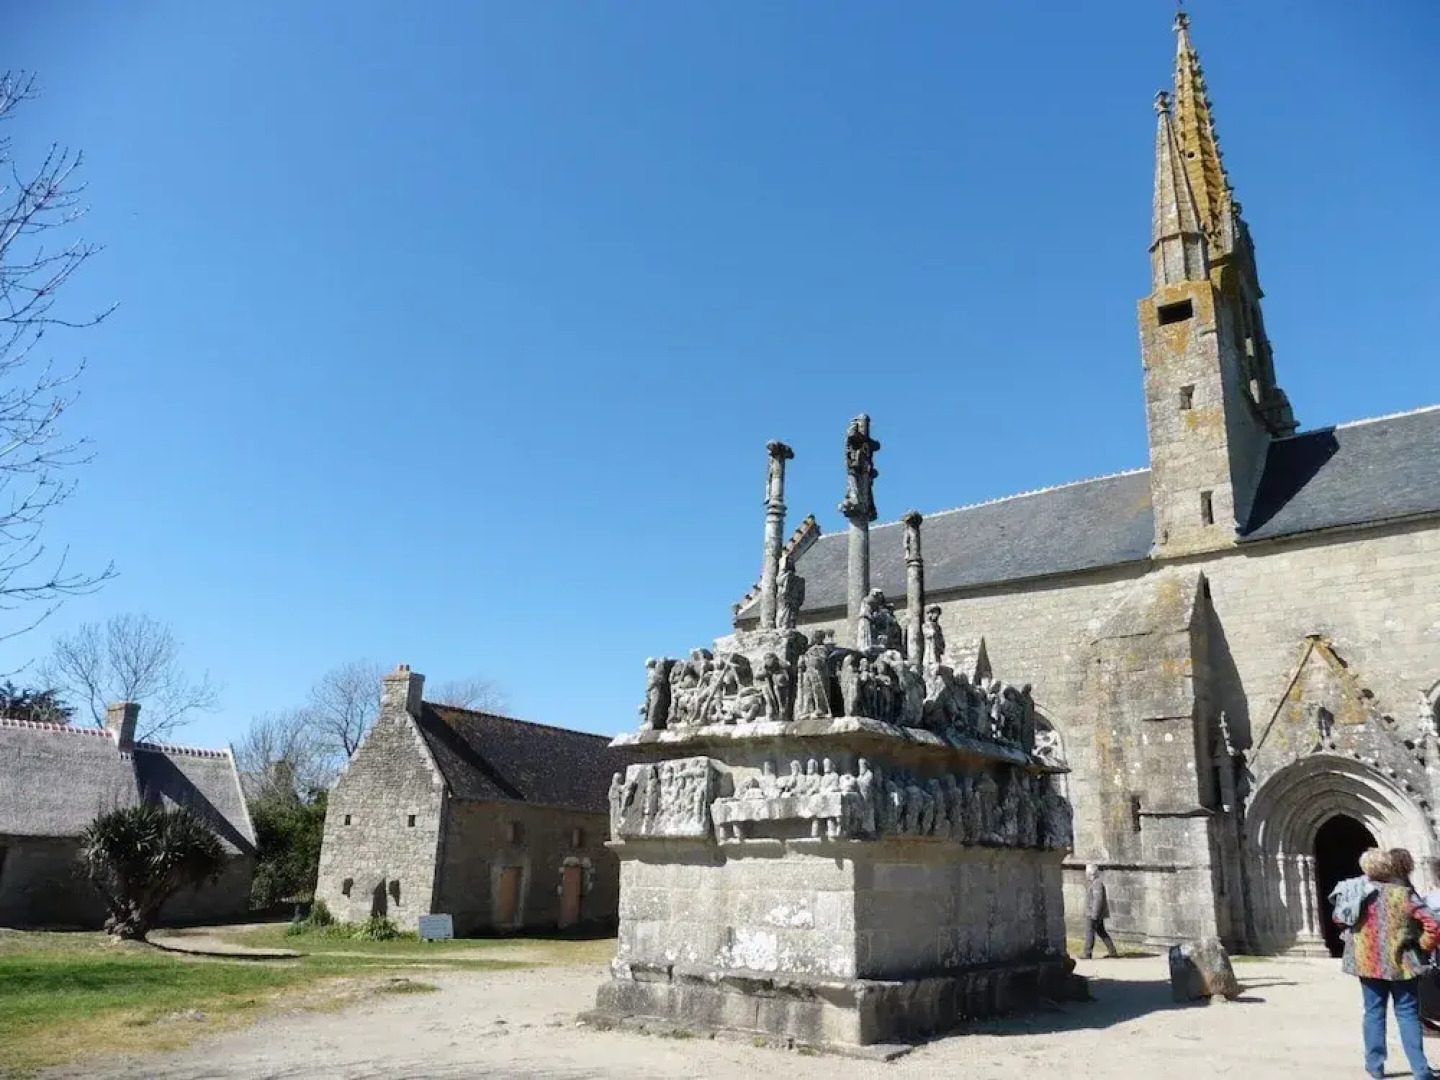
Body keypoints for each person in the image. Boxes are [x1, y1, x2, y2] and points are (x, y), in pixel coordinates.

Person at [1334, 847, 1440, 1079]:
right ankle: (1420, 1069)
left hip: (1368, 963)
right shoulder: (1404, 895)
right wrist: (1422, 946)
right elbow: (1432, 924)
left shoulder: (1357, 894)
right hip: (1402, 962)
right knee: (1407, 1014)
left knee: (1373, 1013)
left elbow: (1340, 919)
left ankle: (1375, 1067)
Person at [1082, 864, 1119, 960]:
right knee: (1101, 932)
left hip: (1093, 913)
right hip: (1093, 912)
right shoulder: (1092, 882)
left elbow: (1098, 900)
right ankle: (1112, 952)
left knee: (1089, 932)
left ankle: (1087, 953)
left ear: (1091, 873)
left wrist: (1094, 915)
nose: (1085, 873)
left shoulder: (1097, 883)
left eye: (1087, 871)